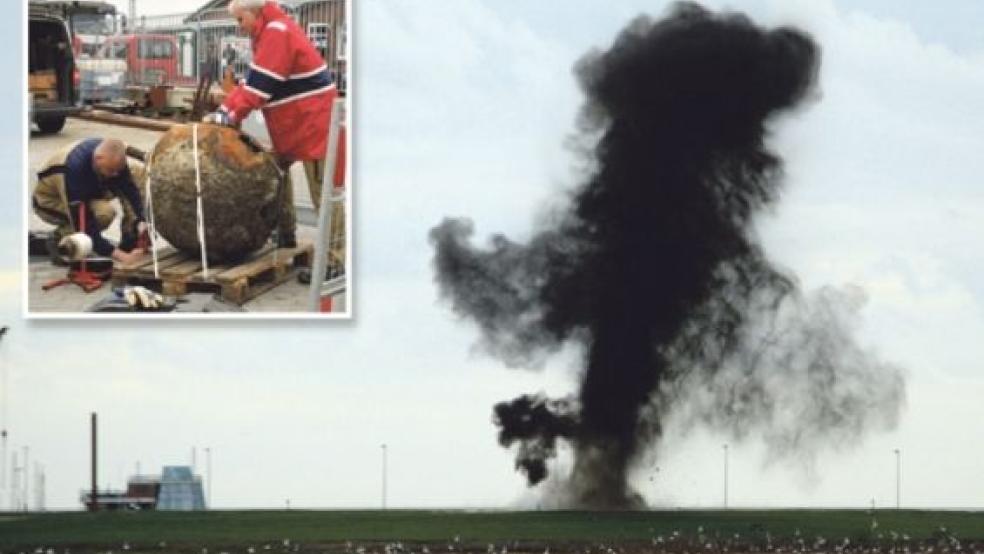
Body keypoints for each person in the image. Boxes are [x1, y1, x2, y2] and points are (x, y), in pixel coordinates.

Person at [203, 0, 345, 260]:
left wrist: (229, 115)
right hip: (296, 123)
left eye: (240, 20)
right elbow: (252, 81)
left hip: (314, 123)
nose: (239, 28)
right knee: (276, 173)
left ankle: (338, 260)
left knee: (324, 194)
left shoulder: (276, 32)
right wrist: (224, 110)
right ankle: (285, 234)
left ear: (254, 13)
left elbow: (260, 88)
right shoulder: (270, 31)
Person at [32, 138, 147, 265]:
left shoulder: (110, 158)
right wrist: (122, 257)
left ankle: (130, 238)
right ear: (98, 159)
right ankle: (60, 238)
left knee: (136, 172)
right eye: (111, 170)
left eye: (117, 171)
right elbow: (86, 224)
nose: (115, 174)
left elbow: (129, 189)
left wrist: (141, 220)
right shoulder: (74, 172)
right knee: (104, 214)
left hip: (90, 190)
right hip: (49, 202)